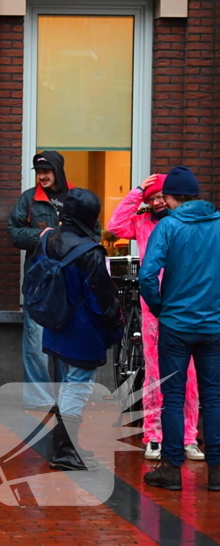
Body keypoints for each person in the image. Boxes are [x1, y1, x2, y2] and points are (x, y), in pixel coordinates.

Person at [107, 174, 203, 461]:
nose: (158, 202)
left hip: (182, 305)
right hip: (152, 307)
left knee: (190, 374)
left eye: (162, 196)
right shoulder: (142, 222)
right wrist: (137, 192)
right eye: (153, 198)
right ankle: (154, 435)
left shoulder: (184, 226)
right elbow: (115, 226)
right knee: (154, 372)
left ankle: (188, 436)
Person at [139, 167, 220, 492]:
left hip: (175, 325)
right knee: (213, 398)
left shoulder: (169, 226)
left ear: (173, 197)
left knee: (172, 397)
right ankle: (216, 472)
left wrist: (160, 308)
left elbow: (147, 276)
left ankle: (171, 469)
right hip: (213, 325)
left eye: (166, 197)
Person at [41, 188, 122, 471]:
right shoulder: (90, 253)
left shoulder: (50, 239)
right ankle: (63, 451)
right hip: (83, 333)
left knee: (67, 385)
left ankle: (67, 446)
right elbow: (105, 300)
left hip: (56, 325)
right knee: (77, 388)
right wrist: (116, 328)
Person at [8, 151, 72, 410]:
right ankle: (40, 400)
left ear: (58, 170)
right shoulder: (29, 199)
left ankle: (67, 397)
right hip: (38, 283)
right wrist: (40, 235)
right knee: (35, 342)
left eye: (47, 171)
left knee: (67, 341)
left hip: (68, 282)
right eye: (38, 172)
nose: (42, 177)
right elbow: (13, 232)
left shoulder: (75, 198)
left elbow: (92, 232)